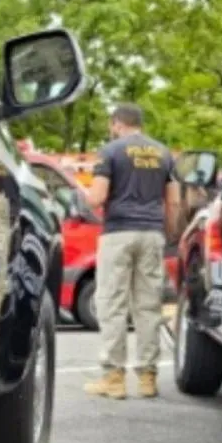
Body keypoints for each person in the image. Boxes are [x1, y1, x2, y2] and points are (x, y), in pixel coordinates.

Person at [82, 103, 178, 399]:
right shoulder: (164, 154)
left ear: (116, 123)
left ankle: (113, 378)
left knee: (112, 303)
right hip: (152, 234)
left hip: (118, 233)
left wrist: (84, 197)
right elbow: (173, 203)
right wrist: (169, 233)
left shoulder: (111, 152)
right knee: (148, 305)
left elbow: (97, 197)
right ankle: (148, 378)